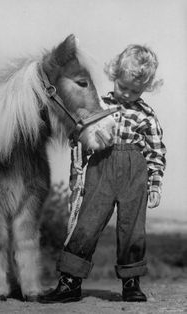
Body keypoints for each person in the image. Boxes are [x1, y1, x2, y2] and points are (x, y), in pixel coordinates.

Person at [39, 44, 167, 303]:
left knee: (132, 228)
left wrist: (154, 184)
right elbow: (80, 132)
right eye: (124, 86)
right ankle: (69, 282)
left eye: (136, 90)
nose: (128, 94)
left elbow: (156, 152)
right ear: (114, 76)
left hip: (135, 172)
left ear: (145, 89)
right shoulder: (100, 105)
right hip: (101, 167)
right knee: (87, 222)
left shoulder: (147, 116)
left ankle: (131, 284)